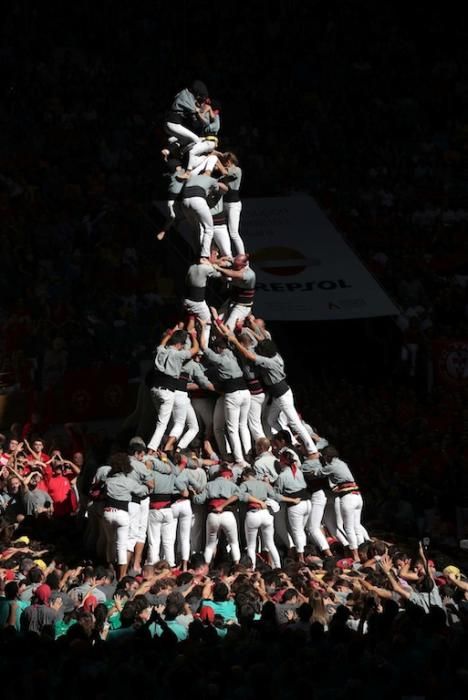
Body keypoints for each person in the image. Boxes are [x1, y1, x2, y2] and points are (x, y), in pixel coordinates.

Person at [223, 334, 319, 458]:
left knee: (295, 423)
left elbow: (249, 355)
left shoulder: (269, 361)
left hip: (282, 395)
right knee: (270, 420)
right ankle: (292, 442)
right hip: (277, 395)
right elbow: (263, 340)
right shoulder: (276, 355)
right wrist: (252, 327)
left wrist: (235, 341)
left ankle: (312, 449)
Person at [303, 445, 366, 562]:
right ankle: (365, 552)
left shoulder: (331, 466)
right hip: (358, 496)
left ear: (327, 456)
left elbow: (316, 474)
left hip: (348, 498)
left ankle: (356, 556)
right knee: (356, 526)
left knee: (348, 528)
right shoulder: (342, 463)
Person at [199, 327, 251, 468]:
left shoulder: (220, 358)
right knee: (243, 425)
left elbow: (203, 347)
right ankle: (248, 454)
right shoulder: (232, 353)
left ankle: (240, 460)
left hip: (232, 394)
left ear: (217, 349)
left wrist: (204, 327)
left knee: (232, 428)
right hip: (245, 392)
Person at [147, 324, 199, 453]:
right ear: (180, 344)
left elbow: (161, 344)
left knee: (164, 420)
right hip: (167, 391)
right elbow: (195, 350)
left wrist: (170, 334)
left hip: (154, 390)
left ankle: (160, 446)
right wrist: (193, 337)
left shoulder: (161, 350)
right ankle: (151, 450)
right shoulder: (178, 355)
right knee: (162, 424)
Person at [102, 452, 150, 579]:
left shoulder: (108, 481)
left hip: (107, 512)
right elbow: (142, 491)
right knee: (121, 546)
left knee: (110, 542)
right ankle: (121, 576)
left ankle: (110, 569)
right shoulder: (129, 482)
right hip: (122, 514)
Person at [193, 466, 241, 565]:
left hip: (213, 515)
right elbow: (239, 495)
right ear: (228, 476)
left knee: (209, 545)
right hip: (227, 514)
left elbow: (199, 500)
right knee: (234, 543)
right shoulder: (232, 485)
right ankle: (237, 568)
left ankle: (206, 568)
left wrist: (192, 493)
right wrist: (224, 504)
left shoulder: (209, 485)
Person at [181, 172, 228, 261]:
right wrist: (217, 182)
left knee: (196, 229)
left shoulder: (193, 178)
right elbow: (224, 189)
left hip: (184, 202)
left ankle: (197, 253)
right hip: (197, 201)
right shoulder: (211, 180)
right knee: (209, 228)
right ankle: (204, 255)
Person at [212, 254, 256, 330]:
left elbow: (234, 274)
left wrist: (219, 269)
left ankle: (227, 341)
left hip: (242, 306)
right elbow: (216, 263)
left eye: (237, 266)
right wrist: (221, 259)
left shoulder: (249, 274)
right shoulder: (235, 263)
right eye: (234, 264)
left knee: (228, 327)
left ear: (244, 265)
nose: (234, 267)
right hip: (232, 301)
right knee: (216, 321)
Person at [222, 152, 245, 254]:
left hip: (233, 204)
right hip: (224, 203)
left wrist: (216, 162)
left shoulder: (237, 170)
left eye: (225, 162)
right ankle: (227, 254)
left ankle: (243, 256)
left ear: (229, 161)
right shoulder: (223, 172)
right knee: (222, 230)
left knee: (234, 233)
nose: (224, 164)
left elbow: (227, 172)